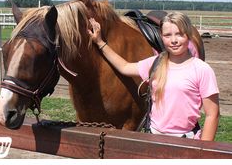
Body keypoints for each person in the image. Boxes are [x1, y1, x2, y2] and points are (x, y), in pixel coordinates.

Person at [88, 12, 220, 141]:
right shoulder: (155, 63)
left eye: (179, 34)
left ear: (188, 35)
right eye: (167, 35)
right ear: (161, 37)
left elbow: (212, 114)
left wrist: (203, 151)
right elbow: (124, 67)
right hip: (154, 139)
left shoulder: (202, 70)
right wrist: (100, 43)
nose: (174, 40)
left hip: (186, 140)